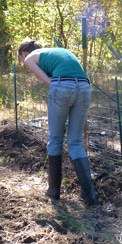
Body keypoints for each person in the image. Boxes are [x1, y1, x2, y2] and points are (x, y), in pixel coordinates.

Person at [17, 39, 98, 206]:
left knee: (55, 139)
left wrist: (51, 83)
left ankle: (53, 191)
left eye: (21, 58)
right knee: (75, 142)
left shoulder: (32, 55)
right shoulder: (58, 52)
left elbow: (30, 63)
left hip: (62, 86)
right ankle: (90, 197)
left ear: (24, 52)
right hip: (84, 87)